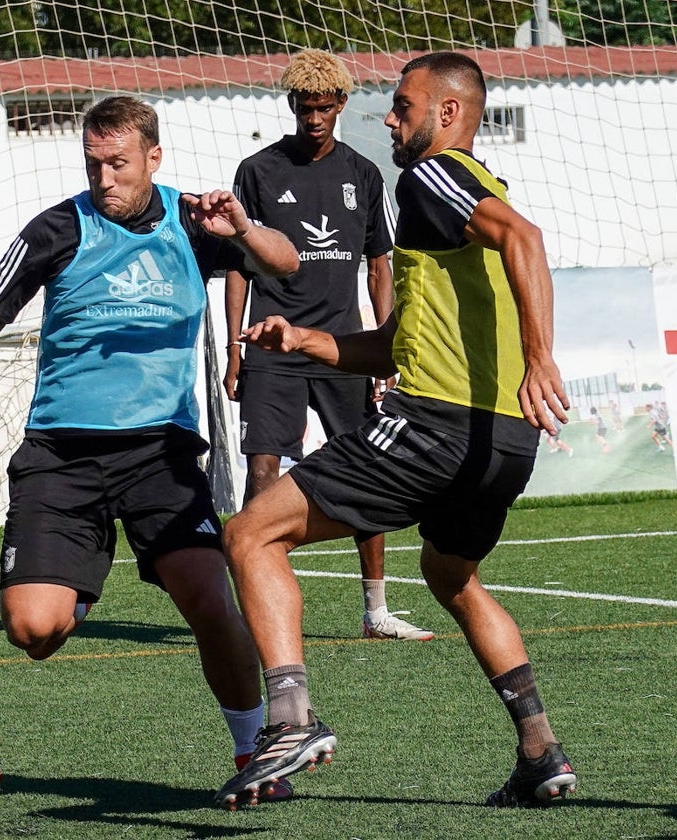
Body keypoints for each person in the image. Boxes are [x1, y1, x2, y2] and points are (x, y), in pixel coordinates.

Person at [0, 96, 300, 799]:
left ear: (153, 158)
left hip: (160, 455)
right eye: (94, 163)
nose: (105, 178)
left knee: (209, 600)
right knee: (33, 632)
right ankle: (80, 577)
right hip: (61, 459)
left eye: (119, 164)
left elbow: (287, 269)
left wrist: (245, 229)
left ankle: (254, 752)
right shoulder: (57, 229)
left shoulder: (196, 224)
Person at [216, 52, 577, 809]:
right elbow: (401, 341)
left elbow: (528, 238)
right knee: (451, 577)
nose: (390, 118)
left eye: (403, 107)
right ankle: (541, 751)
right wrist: (309, 341)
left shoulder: (436, 176)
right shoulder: (454, 209)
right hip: (503, 445)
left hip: (437, 428)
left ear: (448, 115)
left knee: (250, 534)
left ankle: (289, 721)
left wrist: (541, 357)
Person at [225, 48, 432, 642]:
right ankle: (256, 612)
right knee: (263, 467)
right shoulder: (258, 171)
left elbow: (378, 266)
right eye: (304, 107)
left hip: (342, 348)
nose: (314, 118)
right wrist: (235, 349)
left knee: (371, 469)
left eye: (325, 107)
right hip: (271, 345)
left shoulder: (364, 174)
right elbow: (239, 264)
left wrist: (387, 349)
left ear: (341, 104)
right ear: (291, 105)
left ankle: (376, 612)